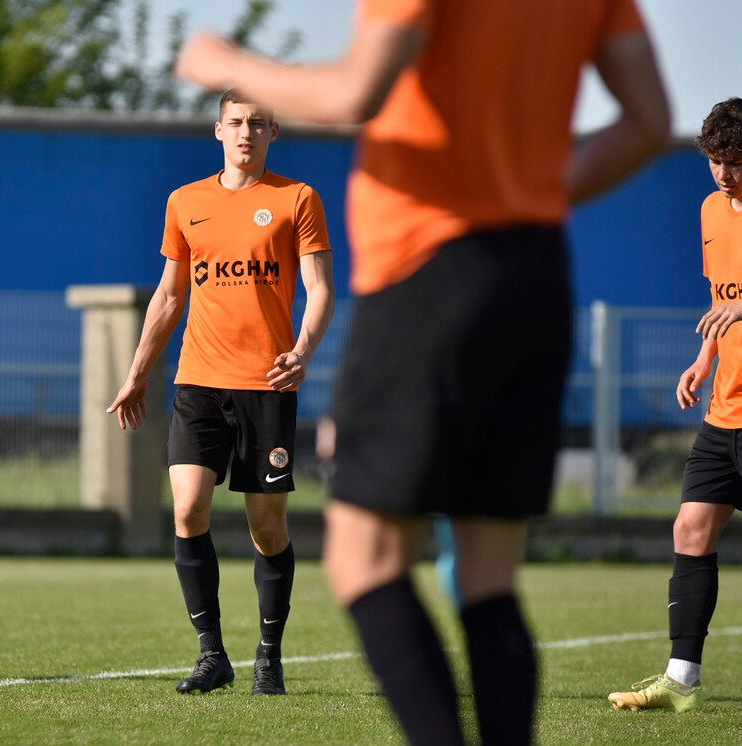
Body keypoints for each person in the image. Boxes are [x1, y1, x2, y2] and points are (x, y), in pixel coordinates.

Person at [176, 1, 669, 742]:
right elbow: (650, 122)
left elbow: (357, 93)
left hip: (429, 269)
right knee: (488, 576)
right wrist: (531, 193)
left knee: (365, 559)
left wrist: (230, 65)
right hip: (534, 270)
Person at [107, 88, 335, 696]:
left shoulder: (296, 200)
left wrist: (303, 352)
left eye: (258, 124)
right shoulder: (185, 202)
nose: (245, 133)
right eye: (235, 122)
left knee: (266, 526)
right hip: (198, 381)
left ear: (273, 133)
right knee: (187, 509)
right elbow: (169, 296)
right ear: (217, 130)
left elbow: (319, 289)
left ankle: (269, 656)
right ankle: (213, 654)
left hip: (267, 384)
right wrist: (136, 373)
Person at [608, 97, 742, 713]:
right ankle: (682, 677)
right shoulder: (712, 210)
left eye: (735, 161)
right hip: (724, 410)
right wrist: (703, 359)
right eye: (715, 160)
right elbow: (721, 296)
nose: (723, 173)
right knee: (689, 528)